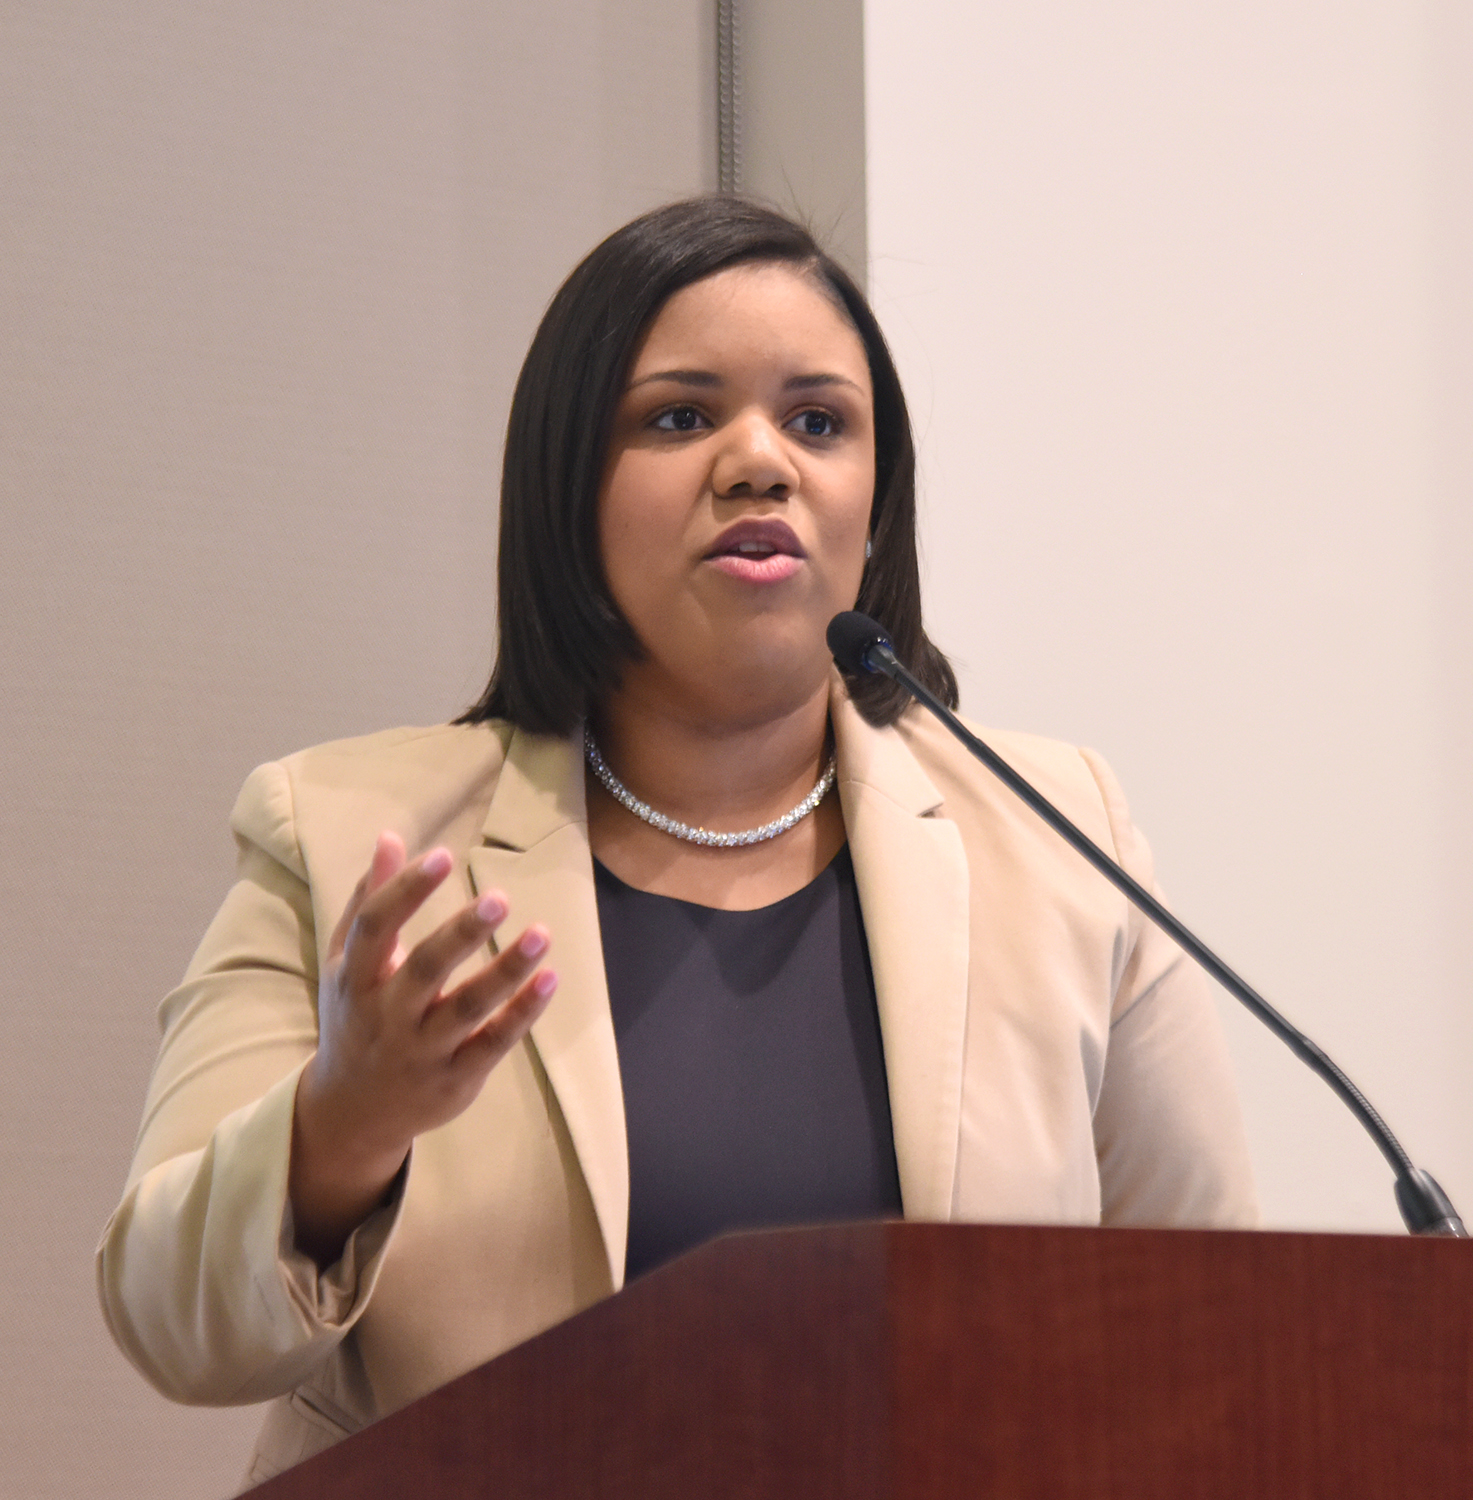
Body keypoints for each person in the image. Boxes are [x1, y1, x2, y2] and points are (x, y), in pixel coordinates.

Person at [95, 196, 1257, 1487]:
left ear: (877, 503)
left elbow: (1216, 1328)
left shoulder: (1056, 838)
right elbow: (168, 1322)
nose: (762, 461)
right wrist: (343, 1128)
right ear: (568, 488)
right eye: (680, 416)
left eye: (819, 421)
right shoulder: (348, 841)